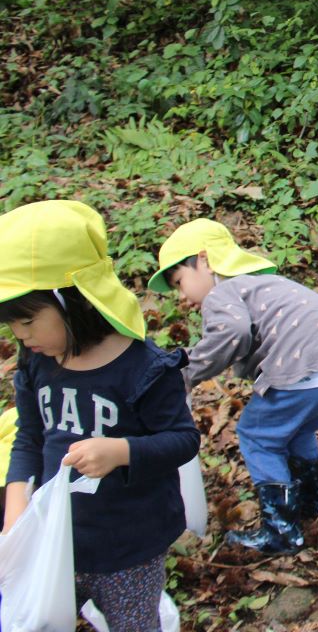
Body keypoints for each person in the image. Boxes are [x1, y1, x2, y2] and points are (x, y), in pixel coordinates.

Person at [1, 200, 200, 630]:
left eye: (28, 319)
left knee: (131, 622)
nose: (20, 333)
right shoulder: (36, 362)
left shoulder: (144, 370)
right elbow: (29, 438)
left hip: (130, 546)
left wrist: (123, 451)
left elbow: (183, 439)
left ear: (74, 300)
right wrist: (16, 513)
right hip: (56, 541)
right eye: (11, 323)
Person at [149, 218, 318, 554]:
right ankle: (314, 503)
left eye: (180, 282)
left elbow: (233, 333)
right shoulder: (264, 285)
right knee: (294, 429)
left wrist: (187, 373)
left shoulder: (223, 292)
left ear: (204, 260)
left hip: (309, 367)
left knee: (257, 433)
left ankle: (281, 531)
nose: (182, 297)